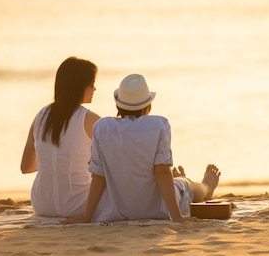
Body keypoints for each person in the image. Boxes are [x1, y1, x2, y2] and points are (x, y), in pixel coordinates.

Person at [67, 73, 220, 224]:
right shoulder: (159, 125)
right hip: (157, 209)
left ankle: (179, 182)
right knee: (188, 185)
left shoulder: (102, 128)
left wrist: (86, 217)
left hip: (117, 210)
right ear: (148, 106)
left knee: (177, 182)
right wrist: (177, 217)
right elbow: (162, 172)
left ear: (118, 105)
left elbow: (98, 178)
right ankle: (206, 186)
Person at [20, 56, 101, 217]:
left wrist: (52, 162)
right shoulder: (92, 120)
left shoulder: (40, 116)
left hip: (42, 205)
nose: (95, 89)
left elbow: (26, 167)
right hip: (80, 206)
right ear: (80, 86)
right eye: (92, 83)